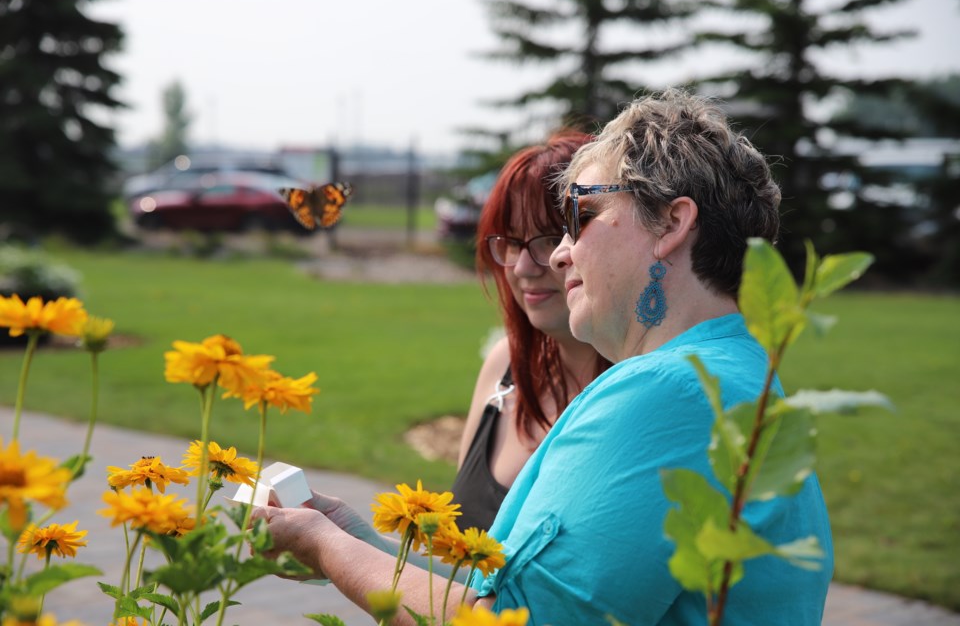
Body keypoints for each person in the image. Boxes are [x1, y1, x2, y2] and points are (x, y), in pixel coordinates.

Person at [251, 90, 833, 625]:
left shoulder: (669, 392)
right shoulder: (734, 372)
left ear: (673, 224)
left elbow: (508, 620)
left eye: (581, 217)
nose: (557, 254)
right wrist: (352, 536)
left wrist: (325, 547)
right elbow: (513, 594)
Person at [452, 130, 610, 531]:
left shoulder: (635, 389)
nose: (522, 267)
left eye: (545, 238)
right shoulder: (504, 362)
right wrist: (345, 536)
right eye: (509, 242)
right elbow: (452, 573)